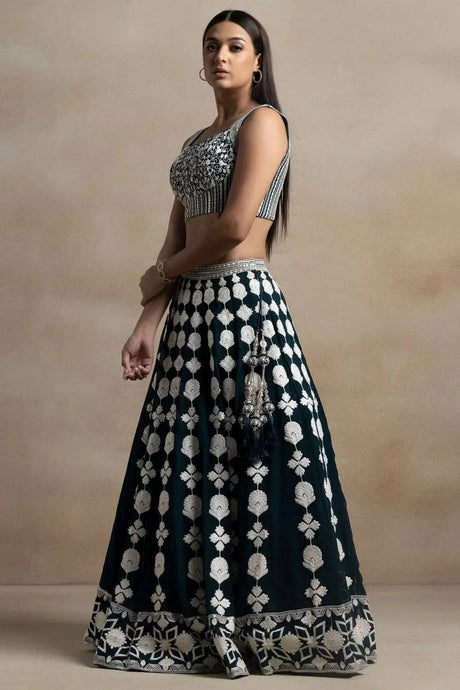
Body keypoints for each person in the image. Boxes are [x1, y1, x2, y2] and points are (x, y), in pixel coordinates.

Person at [83, 9, 378, 679]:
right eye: (212, 45)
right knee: (186, 461)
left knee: (256, 456)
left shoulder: (265, 122)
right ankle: (189, 620)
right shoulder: (197, 141)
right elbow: (178, 236)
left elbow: (235, 226)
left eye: (235, 46)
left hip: (245, 312)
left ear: (257, 60)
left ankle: (268, 623)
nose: (221, 55)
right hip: (189, 315)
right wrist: (147, 320)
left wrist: (163, 273)